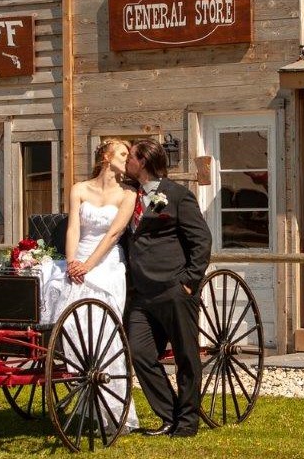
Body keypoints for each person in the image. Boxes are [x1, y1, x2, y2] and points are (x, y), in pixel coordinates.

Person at [42, 137, 139, 432]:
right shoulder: (79, 189)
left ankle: (111, 407)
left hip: (106, 264)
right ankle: (83, 387)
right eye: (124, 153)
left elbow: (113, 234)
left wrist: (89, 265)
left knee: (101, 330)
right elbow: (73, 228)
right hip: (77, 261)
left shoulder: (128, 194)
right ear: (107, 157)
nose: (129, 158)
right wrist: (72, 262)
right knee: (71, 325)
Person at [121, 138, 212, 438]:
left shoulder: (177, 196)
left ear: (143, 161)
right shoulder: (128, 196)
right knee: (139, 353)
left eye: (130, 157)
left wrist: (188, 282)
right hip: (141, 296)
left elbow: (201, 240)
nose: (126, 162)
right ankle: (169, 415)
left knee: (186, 356)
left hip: (174, 290)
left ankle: (187, 423)